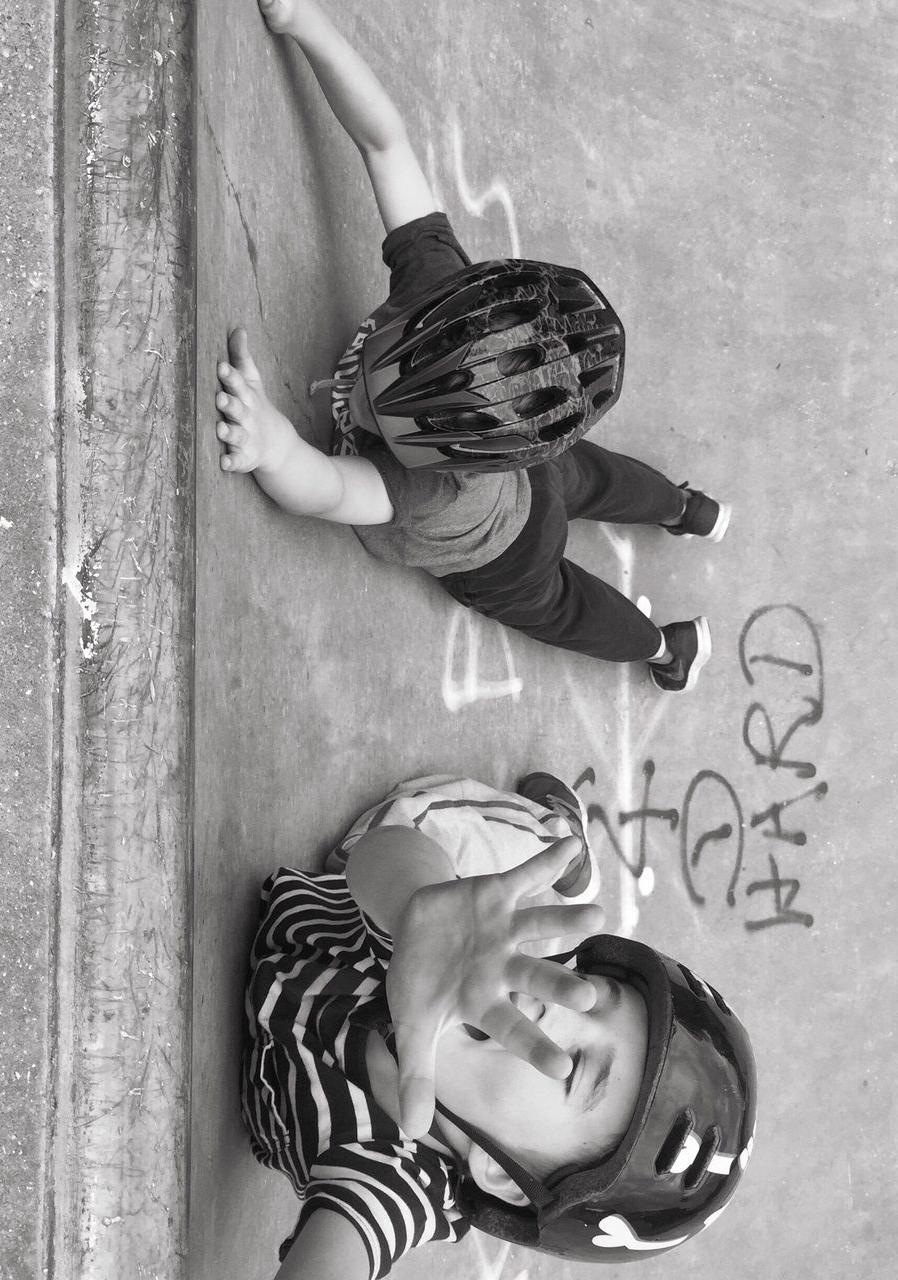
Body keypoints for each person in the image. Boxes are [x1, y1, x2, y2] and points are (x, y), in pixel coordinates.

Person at [216, 0, 732, 694]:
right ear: (452, 310)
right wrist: (308, 26)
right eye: (382, 370)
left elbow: (326, 486)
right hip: (537, 473)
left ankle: (663, 647)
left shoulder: (429, 494)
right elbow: (384, 142)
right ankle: (685, 509)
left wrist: (270, 446)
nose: (367, 391)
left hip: (506, 558)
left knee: (566, 607)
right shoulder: (447, 300)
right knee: (597, 477)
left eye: (384, 412)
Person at [243, 773, 757, 1278]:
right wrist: (414, 903)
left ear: (503, 1178)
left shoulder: (392, 1179)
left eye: (576, 1066)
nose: (558, 1013)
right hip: (375, 903)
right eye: (596, 997)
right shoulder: (453, 954)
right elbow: (379, 853)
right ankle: (560, 839)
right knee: (409, 829)